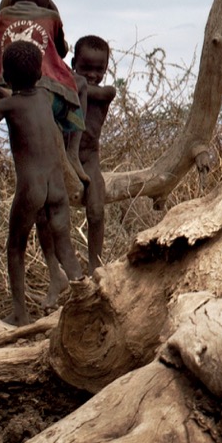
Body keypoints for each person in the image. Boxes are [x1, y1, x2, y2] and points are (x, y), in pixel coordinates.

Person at [0, 41, 84, 322]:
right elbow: (18, 98)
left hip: (31, 189)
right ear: (39, 75)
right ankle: (85, 297)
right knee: (65, 247)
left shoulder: (7, 105)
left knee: (16, 247)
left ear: (9, 77)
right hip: (57, 188)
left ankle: (20, 315)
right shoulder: (43, 98)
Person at [0, 0, 85, 181]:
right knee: (79, 85)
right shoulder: (50, 17)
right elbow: (60, 51)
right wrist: (52, 7)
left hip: (4, 88)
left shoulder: (2, 17)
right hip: (43, 91)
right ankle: (73, 154)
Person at [71, 34, 121, 268]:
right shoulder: (67, 87)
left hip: (89, 156)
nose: (93, 75)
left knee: (96, 210)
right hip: (63, 155)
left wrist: (72, 81)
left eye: (99, 69)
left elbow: (88, 90)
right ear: (74, 65)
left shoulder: (106, 92)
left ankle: (95, 266)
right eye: (85, 68)